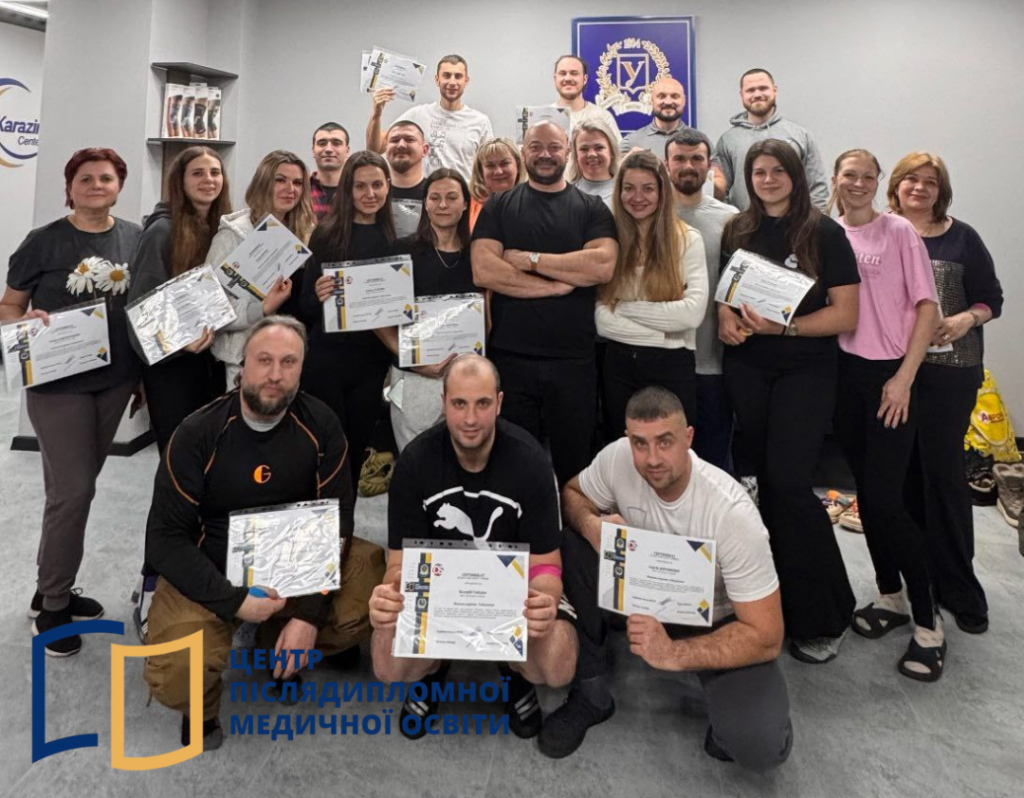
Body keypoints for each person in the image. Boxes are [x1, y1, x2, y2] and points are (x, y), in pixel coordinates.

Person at [144, 316, 385, 751]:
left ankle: (278, 644)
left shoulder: (322, 423)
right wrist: (233, 600)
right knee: (177, 667)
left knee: (372, 584)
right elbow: (164, 539)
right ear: (242, 366)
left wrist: (307, 615)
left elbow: (337, 521)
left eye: (288, 362)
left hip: (295, 564)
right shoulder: (197, 433)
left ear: (302, 370)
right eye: (264, 360)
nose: (275, 374)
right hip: (213, 566)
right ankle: (202, 704)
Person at [542, 387, 790, 768]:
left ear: (688, 438)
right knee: (572, 541)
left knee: (759, 744)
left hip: (713, 619)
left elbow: (767, 635)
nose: (652, 458)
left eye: (665, 441)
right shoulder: (618, 458)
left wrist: (673, 653)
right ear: (628, 438)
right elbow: (572, 493)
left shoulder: (732, 513)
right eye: (640, 444)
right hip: (638, 591)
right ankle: (592, 692)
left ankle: (730, 711)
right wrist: (591, 524)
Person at [368, 355, 577, 744]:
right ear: (444, 402)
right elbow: (399, 563)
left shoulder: (531, 461)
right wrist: (389, 595)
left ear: (499, 403)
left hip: (512, 592)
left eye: (482, 403)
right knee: (386, 661)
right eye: (459, 403)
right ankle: (433, 670)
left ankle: (512, 670)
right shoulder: (415, 462)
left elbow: (547, 565)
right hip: (440, 589)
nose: (470, 418)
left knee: (557, 665)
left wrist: (544, 601)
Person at [718, 139, 859, 664]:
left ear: (796, 176)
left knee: (789, 485)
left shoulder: (824, 232)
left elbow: (846, 314)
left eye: (779, 170)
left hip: (806, 372)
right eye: (759, 171)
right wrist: (725, 319)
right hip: (748, 370)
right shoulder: (738, 228)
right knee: (769, 490)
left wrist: (787, 328)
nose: (768, 179)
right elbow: (726, 296)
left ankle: (828, 613)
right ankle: (778, 608)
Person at [1, 148, 142, 657]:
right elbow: (9, 305)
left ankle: (48, 586)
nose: (96, 185)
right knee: (75, 492)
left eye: (106, 177)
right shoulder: (43, 241)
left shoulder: (135, 237)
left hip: (114, 380)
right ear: (70, 187)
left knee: (67, 492)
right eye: (86, 178)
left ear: (119, 186)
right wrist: (21, 322)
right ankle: (54, 606)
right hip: (57, 383)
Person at [830, 149, 945, 680]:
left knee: (885, 499)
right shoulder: (829, 233)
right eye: (848, 175)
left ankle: (929, 622)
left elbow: (927, 307)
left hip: (890, 378)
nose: (857, 183)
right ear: (835, 180)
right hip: (843, 377)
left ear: (879, 182)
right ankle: (890, 595)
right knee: (866, 495)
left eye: (866, 176)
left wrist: (904, 378)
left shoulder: (898, 231)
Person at [889, 152, 1003, 635]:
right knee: (905, 479)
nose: (919, 188)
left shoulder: (962, 237)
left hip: (950, 372)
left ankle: (959, 586)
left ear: (941, 190)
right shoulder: (881, 233)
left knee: (944, 478)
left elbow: (991, 298)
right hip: (894, 373)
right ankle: (919, 583)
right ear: (895, 186)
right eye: (910, 179)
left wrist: (966, 318)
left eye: (929, 182)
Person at [472, 120, 618, 485]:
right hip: (511, 359)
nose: (545, 154)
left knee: (576, 469)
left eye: (554, 147)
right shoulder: (499, 206)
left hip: (574, 362)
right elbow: (484, 270)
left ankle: (571, 524)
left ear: (567, 152)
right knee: (513, 469)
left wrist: (531, 260)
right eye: (536, 147)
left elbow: (601, 266)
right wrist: (553, 286)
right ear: (524, 152)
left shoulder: (592, 209)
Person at [298, 151, 395, 492]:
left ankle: (347, 521)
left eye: (377, 185)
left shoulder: (394, 240)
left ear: (388, 186)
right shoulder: (325, 235)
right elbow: (305, 306)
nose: (370, 194)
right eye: (360, 186)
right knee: (326, 450)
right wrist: (318, 294)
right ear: (348, 190)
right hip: (328, 360)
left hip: (371, 364)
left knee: (356, 451)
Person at [128, 145, 232, 456]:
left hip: (213, 359)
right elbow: (141, 306)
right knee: (179, 458)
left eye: (215, 172)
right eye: (197, 173)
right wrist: (182, 343)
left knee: (211, 455)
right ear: (180, 181)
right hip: (174, 366)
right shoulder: (162, 231)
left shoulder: (223, 230)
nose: (208, 179)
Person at [596, 150, 707, 440]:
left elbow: (691, 314)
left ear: (662, 192)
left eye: (647, 188)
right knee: (622, 449)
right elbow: (600, 320)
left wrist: (623, 308)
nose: (637, 197)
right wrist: (666, 336)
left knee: (671, 450)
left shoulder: (688, 239)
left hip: (672, 367)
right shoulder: (609, 241)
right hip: (619, 365)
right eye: (629, 188)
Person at [377, 167, 476, 452]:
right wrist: (411, 359)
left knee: (464, 457)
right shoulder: (402, 251)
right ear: (425, 203)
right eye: (435, 198)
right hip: (414, 377)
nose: (443, 205)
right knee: (414, 459)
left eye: (451, 197)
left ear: (465, 203)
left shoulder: (477, 254)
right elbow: (379, 319)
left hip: (465, 376)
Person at [206, 150, 315, 386]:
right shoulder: (231, 237)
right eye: (280, 180)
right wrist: (262, 309)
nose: (290, 189)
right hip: (245, 361)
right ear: (263, 183)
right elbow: (212, 308)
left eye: (298, 183)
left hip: (295, 357)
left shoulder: (306, 235)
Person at [665, 129, 739, 473]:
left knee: (712, 462)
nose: (688, 166)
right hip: (664, 357)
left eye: (696, 159)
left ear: (709, 166)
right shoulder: (652, 213)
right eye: (679, 158)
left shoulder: (730, 218)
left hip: (712, 362)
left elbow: (737, 283)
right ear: (666, 164)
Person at [711, 68, 828, 211]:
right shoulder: (728, 140)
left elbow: (817, 188)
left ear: (774, 90)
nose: (757, 94)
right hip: (746, 223)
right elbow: (721, 192)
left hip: (795, 223)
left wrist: (816, 222)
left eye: (763, 88)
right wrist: (732, 221)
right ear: (742, 95)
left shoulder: (801, 135)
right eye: (750, 90)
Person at [367, 54, 493, 180]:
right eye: (446, 75)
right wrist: (376, 115)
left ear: (466, 81)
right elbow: (375, 149)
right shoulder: (418, 115)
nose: (452, 82)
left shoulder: (480, 121)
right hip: (426, 192)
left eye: (458, 76)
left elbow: (490, 167)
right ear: (437, 80)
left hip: (464, 192)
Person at [552, 54, 623, 149]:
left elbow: (618, 153)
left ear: (584, 79)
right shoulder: (544, 119)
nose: (568, 78)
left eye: (574, 73)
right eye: (562, 73)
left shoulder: (603, 117)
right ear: (555, 79)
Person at [468, 137, 525, 232]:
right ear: (481, 171)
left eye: (505, 163)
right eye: (490, 166)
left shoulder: (532, 203)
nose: (498, 171)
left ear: (518, 166)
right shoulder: (466, 206)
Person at [384, 119, 428, 237]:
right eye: (394, 140)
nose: (401, 145)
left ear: (425, 150)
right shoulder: (374, 193)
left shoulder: (435, 193)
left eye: (409, 140)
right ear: (386, 149)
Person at [623, 77, 688, 153]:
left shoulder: (698, 141)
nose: (668, 102)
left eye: (675, 96)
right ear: (652, 100)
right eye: (661, 96)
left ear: (684, 101)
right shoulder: (631, 143)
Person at [567, 118, 621, 209]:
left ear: (611, 151)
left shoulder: (625, 192)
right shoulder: (566, 195)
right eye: (584, 149)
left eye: (599, 147)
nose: (592, 154)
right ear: (576, 155)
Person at [310, 122, 350, 221]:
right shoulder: (300, 190)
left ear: (347, 151)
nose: (328, 149)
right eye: (322, 143)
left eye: (336, 143)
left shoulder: (357, 190)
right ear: (313, 151)